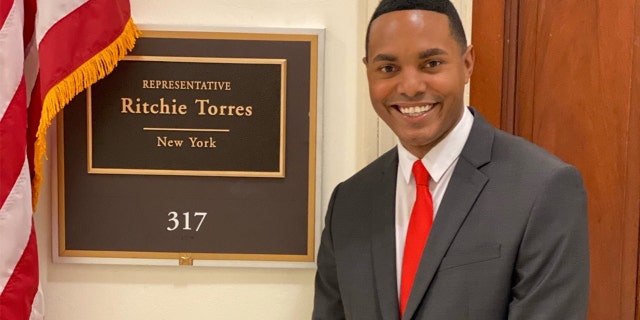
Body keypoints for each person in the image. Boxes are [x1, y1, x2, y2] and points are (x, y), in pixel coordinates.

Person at [312, 0, 589, 319]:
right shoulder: (349, 203)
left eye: (431, 64)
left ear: (467, 63)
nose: (410, 87)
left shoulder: (543, 189)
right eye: (388, 68)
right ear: (368, 72)